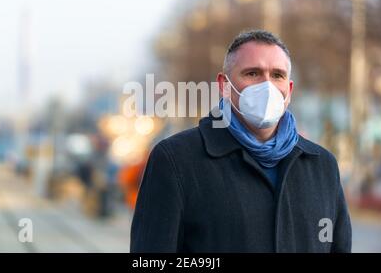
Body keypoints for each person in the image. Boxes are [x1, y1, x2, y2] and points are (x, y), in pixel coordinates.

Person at [130, 29, 352, 253]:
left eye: (277, 75)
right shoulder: (176, 161)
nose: (267, 86)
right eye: (253, 73)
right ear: (224, 85)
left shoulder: (322, 166)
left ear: (289, 90)